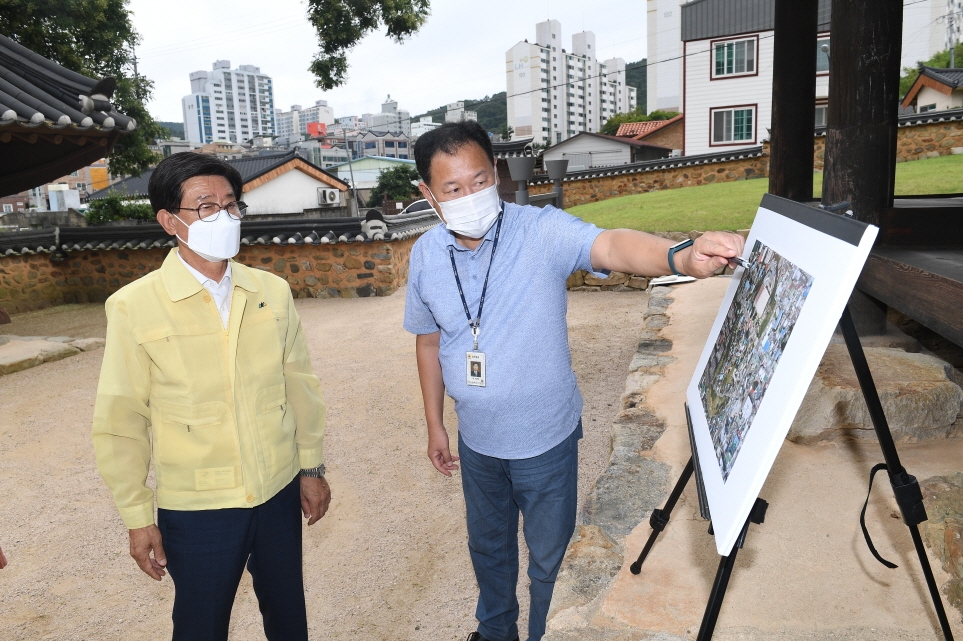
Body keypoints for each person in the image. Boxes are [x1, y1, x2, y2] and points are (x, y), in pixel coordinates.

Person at [404, 121, 744, 641]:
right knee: (487, 548)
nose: (470, 196)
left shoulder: (539, 231)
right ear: (428, 194)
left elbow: (610, 246)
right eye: (452, 188)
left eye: (480, 180)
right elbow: (428, 343)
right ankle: (494, 631)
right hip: (476, 442)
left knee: (549, 560)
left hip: (544, 440)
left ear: (496, 173)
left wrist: (679, 255)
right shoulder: (426, 255)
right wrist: (435, 424)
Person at [92, 153, 331, 641]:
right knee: (200, 626)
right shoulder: (134, 306)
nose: (223, 216)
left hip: (277, 491)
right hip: (198, 506)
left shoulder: (271, 292)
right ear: (169, 221)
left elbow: (300, 385)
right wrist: (138, 517)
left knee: (289, 616)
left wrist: (311, 468)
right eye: (205, 206)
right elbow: (121, 420)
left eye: (231, 204)